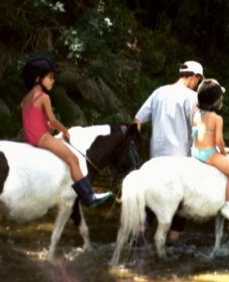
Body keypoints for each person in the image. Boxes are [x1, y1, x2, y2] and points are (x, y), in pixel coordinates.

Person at [20, 55, 113, 208]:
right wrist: (65, 131)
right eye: (50, 77)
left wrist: (46, 127)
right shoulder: (43, 97)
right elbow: (53, 120)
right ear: (37, 78)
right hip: (43, 139)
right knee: (73, 159)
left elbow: (33, 122)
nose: (53, 80)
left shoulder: (25, 99)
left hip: (31, 139)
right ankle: (89, 197)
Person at [133, 60, 203, 243]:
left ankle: (139, 238)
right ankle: (172, 244)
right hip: (180, 162)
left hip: (156, 160)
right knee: (183, 204)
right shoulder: (193, 98)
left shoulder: (159, 92)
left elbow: (137, 120)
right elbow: (198, 128)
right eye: (198, 80)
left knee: (151, 201)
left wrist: (139, 145)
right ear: (194, 77)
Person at [192, 79, 229, 224]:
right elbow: (219, 141)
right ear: (215, 101)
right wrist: (223, 153)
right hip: (208, 154)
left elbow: (194, 134)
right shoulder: (217, 118)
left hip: (195, 152)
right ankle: (228, 206)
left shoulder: (197, 114)